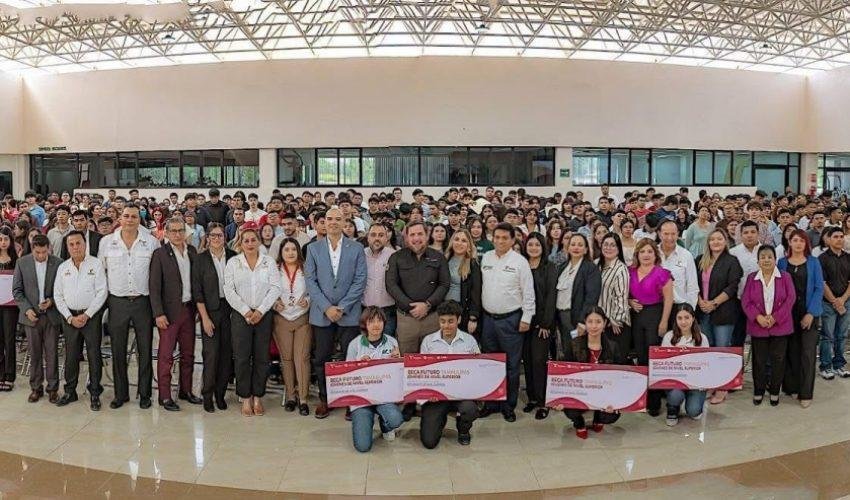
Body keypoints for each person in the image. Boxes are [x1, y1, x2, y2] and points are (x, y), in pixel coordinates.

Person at [305, 208, 367, 419]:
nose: (333, 222)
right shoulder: (313, 248)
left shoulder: (356, 248)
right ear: (323, 222)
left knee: (350, 358)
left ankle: (350, 400)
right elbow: (310, 281)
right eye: (329, 219)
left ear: (344, 221)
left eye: (337, 219)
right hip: (322, 314)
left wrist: (342, 307)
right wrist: (327, 307)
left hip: (348, 313)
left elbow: (360, 280)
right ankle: (325, 399)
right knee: (322, 358)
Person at [99, 205, 160, 410]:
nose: (130, 220)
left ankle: (145, 394)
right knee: (118, 350)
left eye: (134, 216)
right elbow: (101, 273)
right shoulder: (107, 242)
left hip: (143, 302)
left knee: (145, 349)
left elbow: (156, 275)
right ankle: (121, 394)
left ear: (139, 219)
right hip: (117, 302)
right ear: (120, 218)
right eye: (126, 216)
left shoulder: (151, 242)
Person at [479, 223, 535, 422]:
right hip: (488, 320)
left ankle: (508, 405)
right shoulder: (486, 257)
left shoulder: (520, 262)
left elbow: (528, 293)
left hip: (511, 320)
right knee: (490, 364)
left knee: (511, 366)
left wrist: (526, 318)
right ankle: (491, 403)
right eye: (497, 237)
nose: (500, 241)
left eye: (505, 238)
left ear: (512, 240)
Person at [224, 227, 281, 417]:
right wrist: (246, 311)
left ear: (258, 242)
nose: (249, 244)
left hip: (263, 315)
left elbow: (275, 287)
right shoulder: (234, 263)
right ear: (240, 243)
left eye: (253, 240)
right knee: (241, 357)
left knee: (261, 357)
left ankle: (258, 396)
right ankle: (245, 396)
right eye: (246, 240)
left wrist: (261, 310)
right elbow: (228, 290)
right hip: (241, 316)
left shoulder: (268, 262)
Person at [149, 217, 200, 411]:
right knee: (166, 356)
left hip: (189, 310)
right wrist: (158, 313)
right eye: (174, 231)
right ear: (167, 233)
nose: (178, 234)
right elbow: (154, 287)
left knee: (188, 354)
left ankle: (186, 391)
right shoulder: (160, 254)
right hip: (169, 313)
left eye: (181, 230)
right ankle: (164, 396)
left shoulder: (192, 251)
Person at [53, 231, 108, 410]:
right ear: (67, 247)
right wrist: (69, 317)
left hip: (90, 317)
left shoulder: (96, 264)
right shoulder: (63, 267)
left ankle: (95, 392)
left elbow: (102, 292)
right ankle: (70, 392)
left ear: (85, 244)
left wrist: (87, 314)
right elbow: (58, 295)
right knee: (71, 356)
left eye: (78, 243)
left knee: (94, 355)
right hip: (70, 318)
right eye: (71, 244)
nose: (75, 247)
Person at [554, 307, 623, 439]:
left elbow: (619, 377)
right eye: (590, 321)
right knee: (570, 408)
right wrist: (559, 398)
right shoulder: (574, 344)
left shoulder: (613, 346)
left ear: (605, 323)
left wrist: (616, 400)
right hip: (580, 393)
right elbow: (564, 372)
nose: (594, 326)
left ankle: (599, 418)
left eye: (598, 322)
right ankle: (579, 422)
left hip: (603, 393)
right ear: (585, 323)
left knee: (610, 415)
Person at [419, 300, 480, 447]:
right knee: (429, 442)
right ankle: (439, 420)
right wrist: (428, 393)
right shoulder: (428, 342)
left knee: (469, 409)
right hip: (437, 396)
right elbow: (422, 373)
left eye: (451, 321)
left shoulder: (470, 341)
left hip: (462, 394)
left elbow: (477, 371)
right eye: (443, 321)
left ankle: (463, 429)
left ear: (459, 320)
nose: (446, 325)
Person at [742, 245, 795, 406]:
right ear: (758, 261)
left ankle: (774, 391)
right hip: (758, 326)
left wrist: (775, 317)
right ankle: (758, 390)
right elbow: (746, 301)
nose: (766, 260)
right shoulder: (752, 278)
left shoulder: (785, 277)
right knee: (759, 361)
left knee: (778, 360)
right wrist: (757, 317)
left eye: (769, 257)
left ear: (775, 259)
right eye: (763, 257)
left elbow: (790, 299)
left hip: (780, 326)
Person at [695, 229, 743, 404]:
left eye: (719, 239)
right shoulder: (700, 260)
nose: (715, 242)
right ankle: (712, 383)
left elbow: (732, 287)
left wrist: (714, 303)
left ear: (725, 241)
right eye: (712, 239)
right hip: (703, 311)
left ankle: (723, 387)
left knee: (722, 349)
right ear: (708, 242)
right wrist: (700, 301)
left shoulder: (732, 261)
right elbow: (693, 283)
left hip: (723, 311)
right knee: (708, 349)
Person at [12, 234, 62, 403]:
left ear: (49, 248)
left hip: (51, 315)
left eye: (44, 252)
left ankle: (53, 388)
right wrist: (26, 309)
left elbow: (63, 289)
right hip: (31, 316)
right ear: (32, 249)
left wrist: (52, 301)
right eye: (38, 252)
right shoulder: (22, 263)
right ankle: (36, 387)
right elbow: (17, 291)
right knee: (34, 353)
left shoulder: (58, 263)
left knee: (52, 353)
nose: (41, 256)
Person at [191, 222, 236, 413]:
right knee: (211, 355)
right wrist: (205, 318)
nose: (217, 239)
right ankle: (207, 394)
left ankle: (220, 394)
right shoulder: (200, 260)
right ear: (207, 238)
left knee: (226, 356)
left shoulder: (234, 257)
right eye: (213, 235)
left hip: (231, 310)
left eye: (220, 235)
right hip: (209, 311)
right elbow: (197, 291)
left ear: (225, 238)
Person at [346, 306, 403, 453]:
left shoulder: (392, 342)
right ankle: (366, 419)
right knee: (363, 446)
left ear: (384, 323)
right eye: (371, 321)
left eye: (379, 321)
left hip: (384, 396)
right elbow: (346, 376)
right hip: (361, 398)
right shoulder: (355, 344)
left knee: (396, 419)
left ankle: (385, 425)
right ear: (364, 324)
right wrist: (358, 366)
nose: (376, 325)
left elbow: (398, 376)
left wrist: (398, 361)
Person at [777, 230, 824, 408]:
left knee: (808, 353)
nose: (798, 243)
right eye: (795, 240)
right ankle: (792, 387)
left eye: (801, 241)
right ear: (789, 242)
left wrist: (811, 313)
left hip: (808, 313)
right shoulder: (782, 263)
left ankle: (806, 392)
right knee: (791, 351)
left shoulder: (814, 262)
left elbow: (819, 288)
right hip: (787, 314)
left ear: (806, 244)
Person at [628, 238, 673, 416]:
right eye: (642, 252)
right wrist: (629, 302)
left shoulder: (662, 273)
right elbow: (623, 293)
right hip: (636, 318)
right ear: (637, 254)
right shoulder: (630, 271)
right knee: (640, 358)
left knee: (653, 359)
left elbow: (669, 300)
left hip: (655, 316)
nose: (646, 255)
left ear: (655, 255)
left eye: (649, 251)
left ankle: (654, 402)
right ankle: (642, 398)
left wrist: (664, 321)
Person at [272, 237, 312, 416]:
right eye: (286, 250)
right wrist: (274, 303)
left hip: (302, 318)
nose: (290, 253)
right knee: (286, 359)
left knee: (301, 358)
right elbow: (267, 291)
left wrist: (308, 300)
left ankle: (303, 398)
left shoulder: (307, 269)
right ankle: (290, 396)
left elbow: (314, 289)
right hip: (281, 319)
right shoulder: (274, 270)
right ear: (281, 252)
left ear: (299, 252)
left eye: (293, 249)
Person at [522, 232, 557, 419]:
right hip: (523, 321)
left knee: (539, 361)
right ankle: (532, 398)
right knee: (527, 360)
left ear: (543, 247)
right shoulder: (521, 265)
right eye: (530, 244)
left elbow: (551, 296)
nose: (533, 248)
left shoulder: (549, 267)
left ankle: (544, 401)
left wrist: (546, 323)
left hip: (542, 323)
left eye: (537, 245)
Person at [556, 234, 602, 359]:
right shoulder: (561, 267)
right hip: (561, 316)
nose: (576, 247)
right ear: (568, 248)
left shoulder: (590, 268)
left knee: (578, 353)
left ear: (586, 249)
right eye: (573, 244)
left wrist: (583, 321)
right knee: (566, 351)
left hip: (576, 317)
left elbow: (591, 297)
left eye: (580, 245)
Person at [663, 304, 709, 426]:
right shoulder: (669, 337)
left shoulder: (702, 338)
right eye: (680, 318)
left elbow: (707, 365)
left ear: (693, 318)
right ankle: (672, 408)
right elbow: (663, 364)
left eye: (687, 317)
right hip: (676, 381)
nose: (683, 322)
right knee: (675, 395)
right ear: (675, 319)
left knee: (694, 412)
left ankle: (693, 401)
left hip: (696, 382)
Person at [817, 226, 850, 380]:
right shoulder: (822, 259)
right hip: (827, 303)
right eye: (835, 237)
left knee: (842, 335)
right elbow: (822, 283)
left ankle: (839, 364)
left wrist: (842, 300)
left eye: (841, 236)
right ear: (828, 239)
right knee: (827, 335)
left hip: (846, 301)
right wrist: (835, 302)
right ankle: (825, 366)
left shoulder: (848, 257)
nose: (839, 239)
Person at [598, 232, 631, 358]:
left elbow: (621, 297)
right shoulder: (597, 265)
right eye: (606, 244)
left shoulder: (620, 269)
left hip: (615, 325)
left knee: (615, 362)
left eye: (613, 245)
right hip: (600, 323)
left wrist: (615, 320)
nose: (608, 248)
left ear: (618, 249)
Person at [730, 220, 762, 347]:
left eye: (753, 232)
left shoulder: (766, 252)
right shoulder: (733, 253)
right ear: (741, 235)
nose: (749, 235)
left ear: (758, 234)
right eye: (746, 232)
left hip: (761, 303)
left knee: (759, 339)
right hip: (738, 300)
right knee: (738, 337)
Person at [445, 229, 481, 338]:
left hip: (462, 312)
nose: (459, 243)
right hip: (444, 310)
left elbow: (476, 292)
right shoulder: (445, 259)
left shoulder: (472, 264)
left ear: (469, 245)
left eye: (464, 241)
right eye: (456, 239)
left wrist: (473, 318)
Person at [362, 223, 396, 337]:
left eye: (381, 235)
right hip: (365, 310)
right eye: (373, 235)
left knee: (387, 344)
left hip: (388, 311)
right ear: (368, 237)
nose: (377, 238)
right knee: (366, 345)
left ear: (386, 238)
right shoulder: (360, 254)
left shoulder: (394, 255)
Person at [658, 220, 699, 310]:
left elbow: (692, 287)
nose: (670, 238)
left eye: (673, 234)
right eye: (666, 234)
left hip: (679, 307)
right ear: (659, 234)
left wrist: (689, 310)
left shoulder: (686, 255)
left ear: (678, 234)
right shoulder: (652, 253)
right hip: (657, 306)